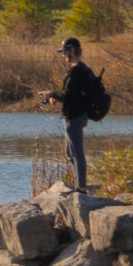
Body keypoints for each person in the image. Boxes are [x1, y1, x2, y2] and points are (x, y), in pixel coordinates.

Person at [47, 35, 108, 192]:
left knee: (77, 153)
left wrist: (51, 93)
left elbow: (68, 94)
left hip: (74, 116)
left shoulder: (76, 71)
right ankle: (78, 184)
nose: (62, 55)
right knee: (69, 153)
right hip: (79, 114)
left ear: (72, 51)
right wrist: (55, 97)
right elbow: (75, 94)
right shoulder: (85, 69)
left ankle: (81, 187)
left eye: (64, 51)